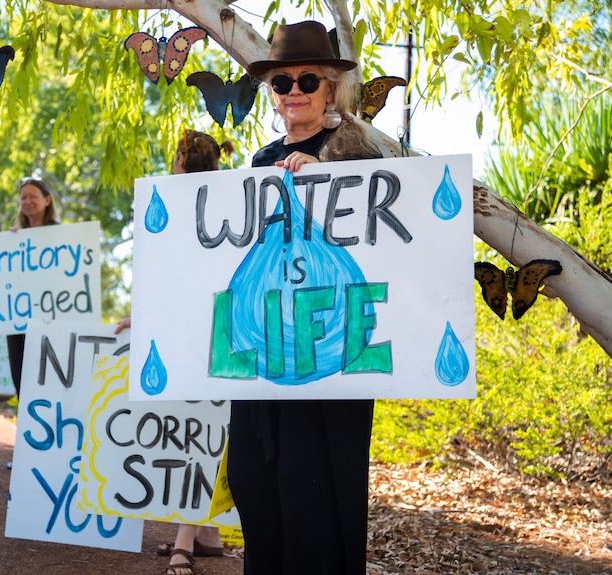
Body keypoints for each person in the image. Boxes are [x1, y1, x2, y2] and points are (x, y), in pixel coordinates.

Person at [225, 21, 382, 575]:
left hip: (329, 351)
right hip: (266, 343)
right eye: (281, 82)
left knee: (310, 484)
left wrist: (328, 179)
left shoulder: (358, 152)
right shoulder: (259, 162)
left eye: (308, 79)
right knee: (252, 475)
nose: (294, 90)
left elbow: (386, 236)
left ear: (331, 88)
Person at [116, 130, 233, 575]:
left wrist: (144, 314)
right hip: (210, 327)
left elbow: (169, 273)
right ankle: (206, 534)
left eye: (177, 155)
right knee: (198, 431)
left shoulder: (183, 206)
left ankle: (186, 541)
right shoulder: (221, 201)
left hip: (199, 332)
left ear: (183, 159)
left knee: (193, 435)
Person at [6, 177, 58, 398]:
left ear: (46, 200)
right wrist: (9, 244)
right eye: (22, 198)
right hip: (17, 315)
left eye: (32, 196)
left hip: (51, 313)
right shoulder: (15, 236)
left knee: (48, 370)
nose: (27, 202)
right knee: (19, 370)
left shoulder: (61, 234)